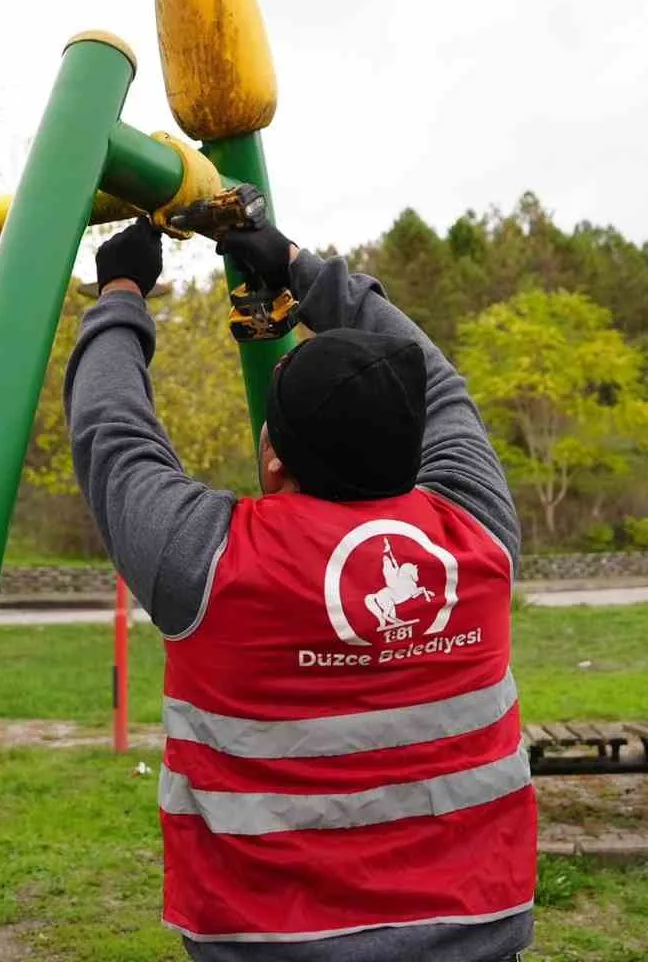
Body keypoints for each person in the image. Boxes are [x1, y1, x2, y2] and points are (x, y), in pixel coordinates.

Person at [64, 214, 536, 961]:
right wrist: (297, 264)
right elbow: (440, 384)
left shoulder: (211, 563)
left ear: (272, 456)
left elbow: (112, 431)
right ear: (415, 449)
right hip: (476, 936)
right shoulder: (477, 533)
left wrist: (121, 288)